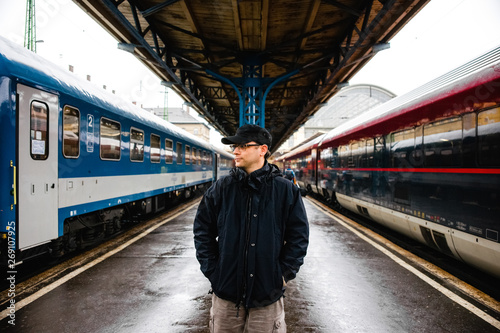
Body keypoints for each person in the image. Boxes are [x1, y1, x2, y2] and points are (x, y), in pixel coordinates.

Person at [193, 124, 309, 333]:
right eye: (235, 147)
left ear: (262, 150)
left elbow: (298, 237)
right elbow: (202, 230)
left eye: (243, 146)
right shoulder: (221, 188)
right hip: (226, 292)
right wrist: (213, 271)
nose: (235, 151)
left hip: (267, 294)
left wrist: (282, 274)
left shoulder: (285, 191)